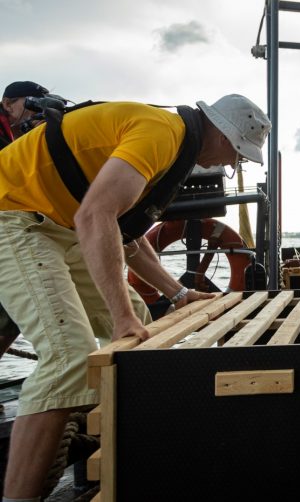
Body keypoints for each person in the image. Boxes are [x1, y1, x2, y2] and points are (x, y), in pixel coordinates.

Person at [0, 94, 271, 500]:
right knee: (68, 355)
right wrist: (120, 314)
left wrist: (177, 294)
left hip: (58, 223)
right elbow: (96, 216)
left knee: (138, 325)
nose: (230, 165)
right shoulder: (161, 134)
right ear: (218, 131)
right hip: (14, 215)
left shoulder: (175, 139)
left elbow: (125, 233)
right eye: (235, 154)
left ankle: (105, 442)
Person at [0, 81, 54, 359]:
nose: (35, 109)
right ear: (8, 103)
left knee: (12, 311)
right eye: (29, 102)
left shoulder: (21, 132)